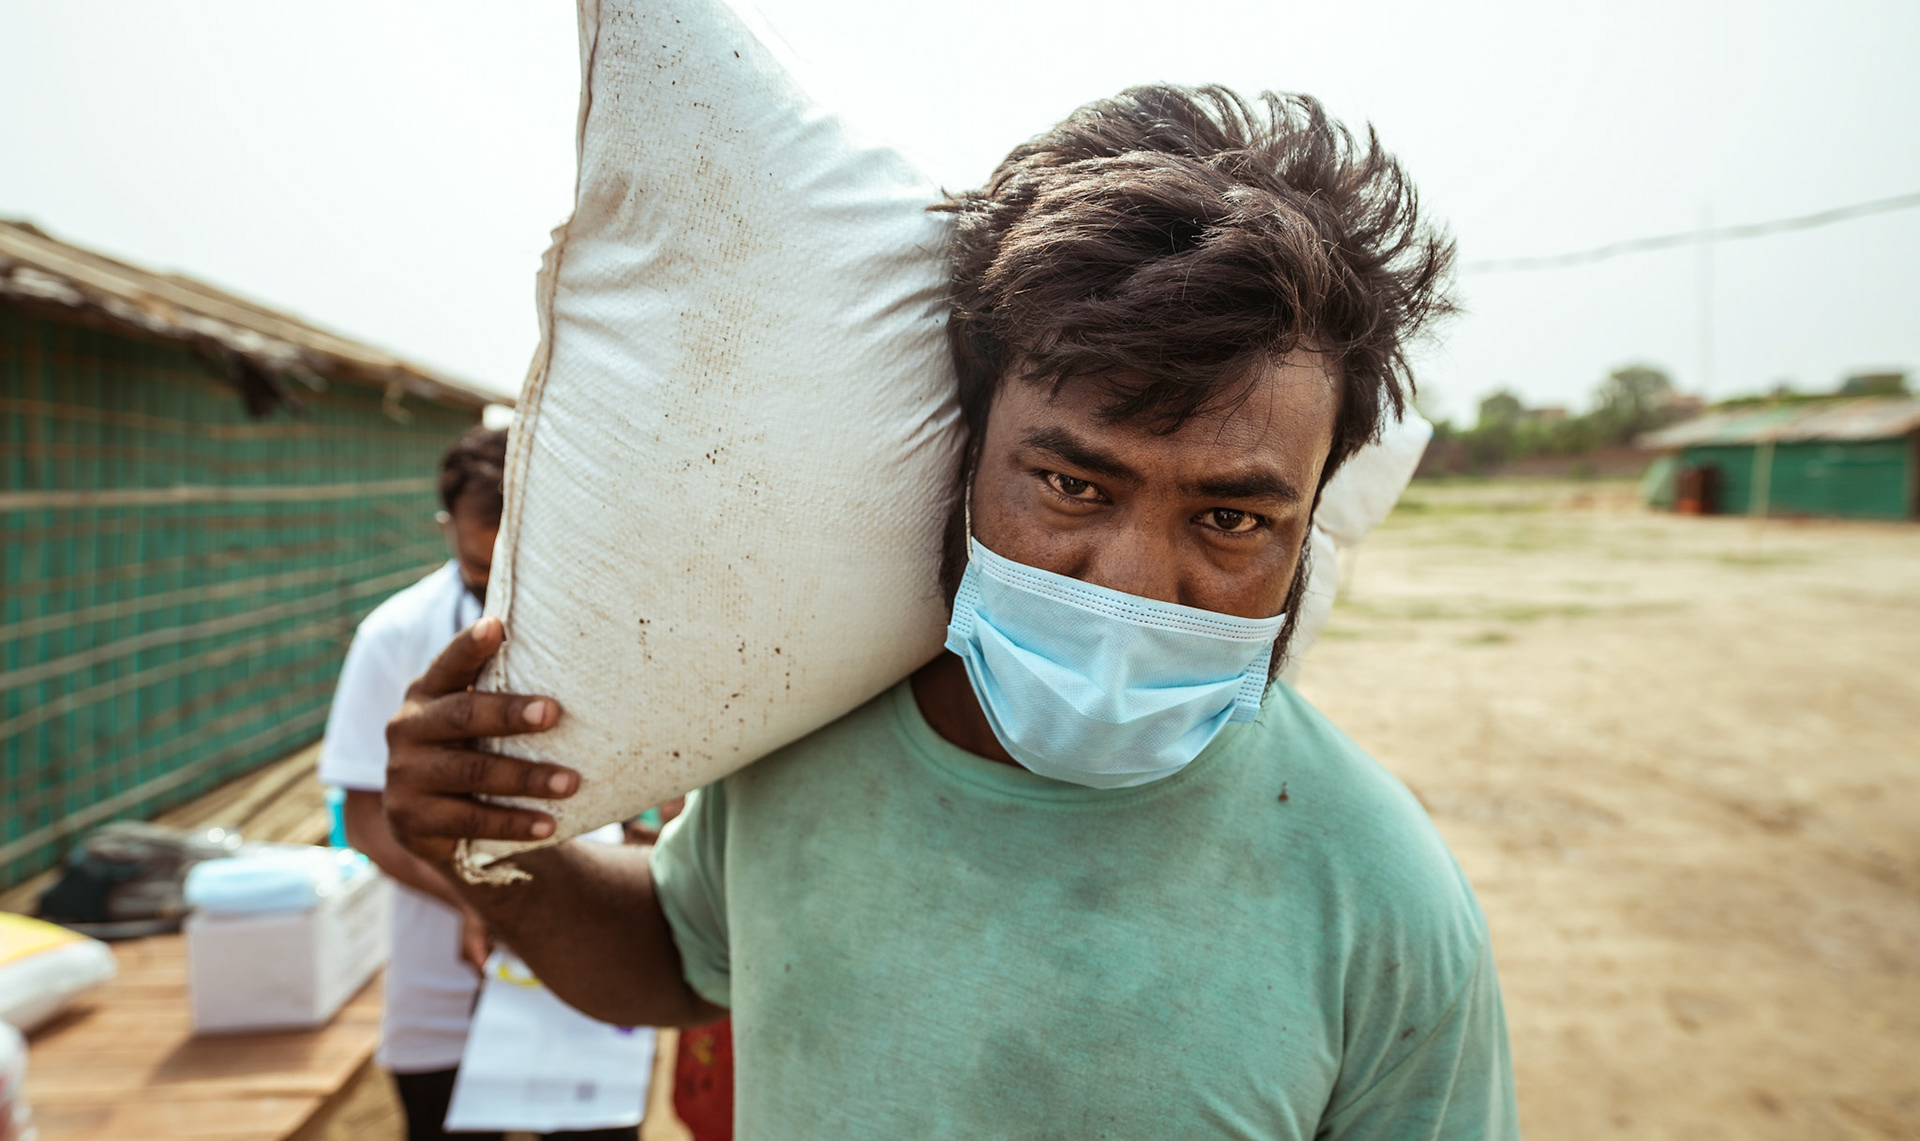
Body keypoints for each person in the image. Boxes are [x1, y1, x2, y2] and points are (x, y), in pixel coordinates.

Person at [382, 88, 1520, 1138]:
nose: (1125, 582)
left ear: (1308, 526)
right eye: (1073, 485)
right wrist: (489, 841)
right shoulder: (800, 733)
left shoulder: (1380, 896)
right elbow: (685, 960)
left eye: (1229, 519)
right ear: (967, 455)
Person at [317, 427, 639, 1141]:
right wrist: (475, 898)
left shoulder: (616, 628)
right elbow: (366, 817)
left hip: (589, 956)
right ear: (448, 527)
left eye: (520, 530)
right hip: (442, 975)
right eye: (480, 541)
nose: (498, 563)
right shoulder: (395, 634)